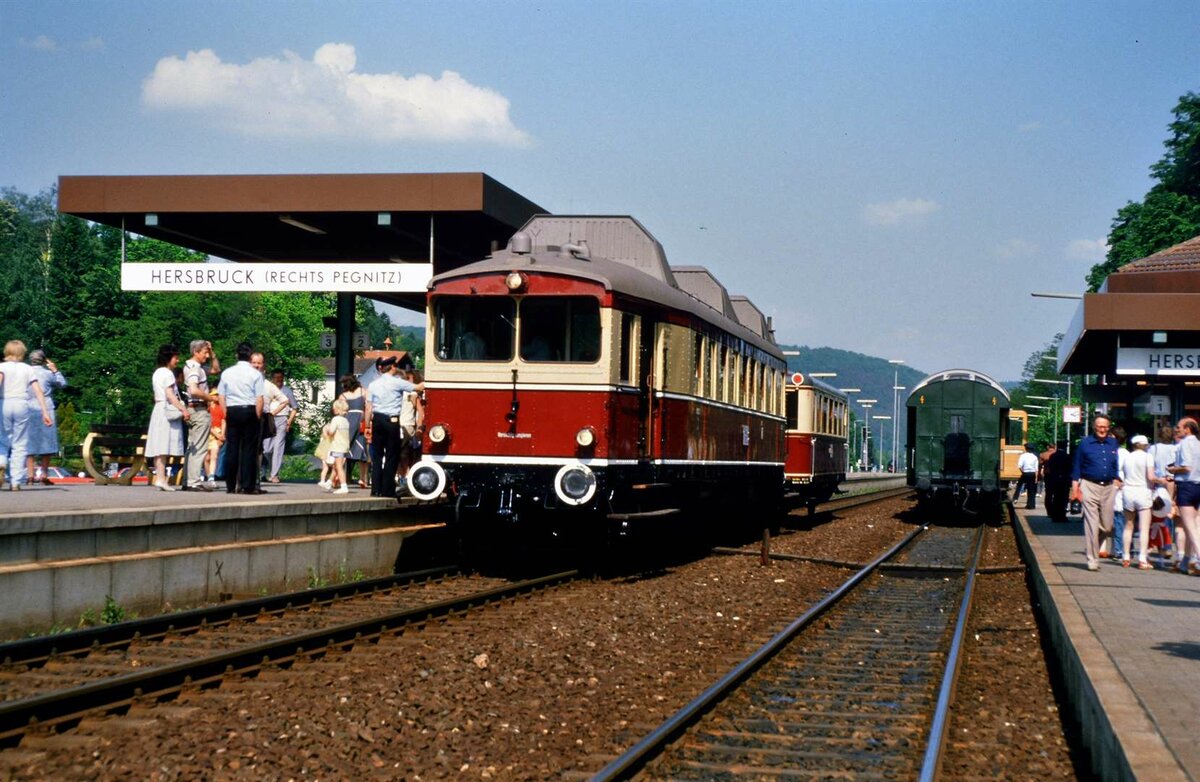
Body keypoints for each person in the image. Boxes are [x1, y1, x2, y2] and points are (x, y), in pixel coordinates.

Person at [364, 356, 423, 497]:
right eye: (395, 365)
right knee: (392, 455)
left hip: (377, 421)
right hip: (392, 421)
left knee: (377, 456)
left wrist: (367, 426)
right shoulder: (398, 382)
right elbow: (418, 387)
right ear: (392, 367)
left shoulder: (373, 385)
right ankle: (387, 489)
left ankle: (375, 489)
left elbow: (368, 408)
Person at [1070, 415, 1121, 572]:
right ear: (1094, 427)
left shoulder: (1113, 443)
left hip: (1109, 487)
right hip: (1089, 485)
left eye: (1105, 426)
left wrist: (1117, 478)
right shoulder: (1085, 444)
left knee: (1107, 526)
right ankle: (1092, 559)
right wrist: (1075, 488)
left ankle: (1093, 546)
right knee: (1092, 524)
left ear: (1109, 428)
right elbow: (1077, 466)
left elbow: (1115, 463)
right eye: (1099, 426)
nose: (1102, 429)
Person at [0, 340, 52, 491]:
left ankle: (1, 461)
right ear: (22, 353)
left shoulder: (2, 367)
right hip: (22, 404)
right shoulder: (27, 369)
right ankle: (15, 481)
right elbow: (38, 391)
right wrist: (45, 412)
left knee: (3, 438)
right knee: (20, 442)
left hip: (4, 403)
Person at [217, 342, 265, 494]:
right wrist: (257, 416)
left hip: (232, 409)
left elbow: (221, 396)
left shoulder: (227, 373)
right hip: (249, 409)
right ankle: (247, 484)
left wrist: (226, 413)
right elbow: (259, 398)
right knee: (249, 449)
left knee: (232, 448)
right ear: (250, 356)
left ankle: (230, 484)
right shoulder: (255, 374)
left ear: (237, 355)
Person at [145, 344, 190, 491]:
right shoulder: (168, 374)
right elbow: (170, 394)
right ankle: (161, 479)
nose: (177, 360)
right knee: (164, 445)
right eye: (175, 357)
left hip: (158, 409)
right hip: (166, 411)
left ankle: (160, 478)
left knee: (159, 446)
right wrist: (183, 409)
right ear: (168, 358)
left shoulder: (157, 372)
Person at [183, 339, 221, 491]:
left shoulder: (195, 367)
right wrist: (210, 398)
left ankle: (188, 480)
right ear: (196, 352)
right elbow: (193, 390)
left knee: (192, 446)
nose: (207, 356)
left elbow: (216, 370)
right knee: (199, 447)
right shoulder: (195, 369)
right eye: (205, 352)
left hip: (193, 409)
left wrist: (212, 353)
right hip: (199, 409)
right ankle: (194, 481)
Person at [25, 350, 67, 485]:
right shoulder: (48, 374)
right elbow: (63, 384)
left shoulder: (25, 373)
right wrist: (55, 370)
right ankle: (43, 475)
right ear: (44, 361)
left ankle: (30, 476)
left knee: (29, 443)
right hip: (46, 408)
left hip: (28, 407)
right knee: (47, 443)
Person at [1120, 434, 1161, 569]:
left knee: (1128, 525)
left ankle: (1125, 557)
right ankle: (1142, 559)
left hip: (1128, 491)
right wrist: (1161, 480)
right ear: (1145, 445)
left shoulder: (1127, 457)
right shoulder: (1147, 457)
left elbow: (1123, 475)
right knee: (1144, 528)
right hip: (1143, 491)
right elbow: (1151, 477)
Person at [1166, 417, 1200, 575]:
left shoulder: (1185, 444)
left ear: (1187, 429)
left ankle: (1198, 558)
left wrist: (1173, 469)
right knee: (1193, 525)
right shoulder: (1198, 443)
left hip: (1186, 486)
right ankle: (1185, 562)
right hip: (1198, 485)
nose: (1177, 429)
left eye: (1179, 427)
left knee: (1191, 528)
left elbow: (1187, 467)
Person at [263, 369, 297, 484]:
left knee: (278, 447)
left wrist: (289, 421)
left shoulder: (287, 391)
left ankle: (274, 475)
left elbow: (294, 408)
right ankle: (268, 468)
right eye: (277, 377)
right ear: (272, 378)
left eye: (281, 377)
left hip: (282, 419)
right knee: (266, 449)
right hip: (268, 419)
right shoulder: (267, 388)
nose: (279, 380)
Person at [336, 375, 369, 488]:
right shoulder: (363, 391)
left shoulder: (343, 396)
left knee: (343, 450)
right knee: (362, 449)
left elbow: (340, 410)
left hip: (348, 422)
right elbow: (368, 407)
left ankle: (337, 476)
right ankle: (363, 478)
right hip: (361, 421)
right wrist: (367, 422)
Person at [397, 368, 425, 494]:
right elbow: (420, 412)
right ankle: (404, 477)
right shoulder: (408, 393)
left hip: (405, 425)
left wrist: (419, 427)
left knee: (402, 454)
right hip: (404, 425)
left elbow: (420, 412)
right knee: (403, 454)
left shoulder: (411, 394)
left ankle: (405, 477)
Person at [320, 397, 352, 495]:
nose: (333, 409)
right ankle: (329, 482)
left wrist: (326, 430)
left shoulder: (335, 419)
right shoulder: (346, 421)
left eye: (334, 408)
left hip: (337, 446)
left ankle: (344, 486)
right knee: (335, 465)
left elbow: (331, 432)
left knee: (338, 466)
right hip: (344, 445)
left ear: (338, 409)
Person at [1042, 441, 1073, 523]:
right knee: (1064, 498)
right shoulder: (1067, 456)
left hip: (1054, 479)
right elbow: (1070, 469)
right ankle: (1062, 515)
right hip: (1064, 480)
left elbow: (1051, 468)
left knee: (1056, 498)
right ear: (1065, 447)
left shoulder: (1053, 456)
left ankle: (1055, 516)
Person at [1013, 443, 1039, 509]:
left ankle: (1015, 498)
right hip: (1032, 474)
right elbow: (1036, 469)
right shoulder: (1035, 457)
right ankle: (1031, 505)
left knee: (1019, 485)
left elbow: (1019, 466)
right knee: (1031, 489)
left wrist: (1023, 472)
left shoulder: (1023, 456)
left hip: (1025, 473)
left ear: (1026, 449)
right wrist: (1036, 478)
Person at [206, 397, 225, 486]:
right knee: (207, 458)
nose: (217, 397)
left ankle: (211, 477)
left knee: (214, 455)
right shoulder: (207, 408)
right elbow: (207, 424)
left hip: (218, 432)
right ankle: (208, 476)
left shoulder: (221, 407)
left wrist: (222, 434)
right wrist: (217, 434)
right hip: (208, 433)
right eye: (214, 394)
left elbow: (223, 421)